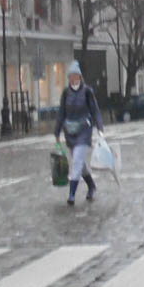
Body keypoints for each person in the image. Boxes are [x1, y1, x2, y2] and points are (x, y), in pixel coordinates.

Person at [54, 60, 104, 206]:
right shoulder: (65, 93)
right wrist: (56, 132)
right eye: (71, 76)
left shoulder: (87, 91)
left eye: (76, 76)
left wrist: (100, 128)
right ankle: (91, 186)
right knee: (80, 163)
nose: (73, 79)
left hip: (84, 131)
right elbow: (61, 113)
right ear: (68, 78)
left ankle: (71, 194)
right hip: (70, 132)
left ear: (80, 77)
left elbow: (95, 110)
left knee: (76, 160)